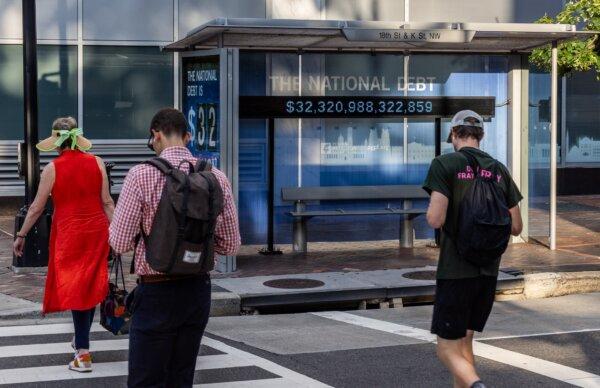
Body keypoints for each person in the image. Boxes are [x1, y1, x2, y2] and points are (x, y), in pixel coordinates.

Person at [109, 108, 241, 387]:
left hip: (156, 290)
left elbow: (119, 242)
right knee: (181, 377)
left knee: (146, 379)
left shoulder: (140, 175)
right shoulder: (216, 177)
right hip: (197, 291)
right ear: (188, 135)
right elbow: (231, 244)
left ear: (155, 136)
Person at [423, 110, 523, 388]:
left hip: (455, 271)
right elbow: (516, 227)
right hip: (488, 272)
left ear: (454, 134)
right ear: (481, 135)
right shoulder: (499, 169)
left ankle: (478, 386)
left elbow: (435, 218)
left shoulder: (444, 164)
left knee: (445, 348)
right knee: (465, 341)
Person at [13, 117, 114, 373]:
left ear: (57, 143)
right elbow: (107, 202)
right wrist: (118, 233)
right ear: (77, 139)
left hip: (69, 235)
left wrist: (22, 234)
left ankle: (82, 352)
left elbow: (36, 207)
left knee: (77, 289)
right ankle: (81, 341)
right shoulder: (98, 162)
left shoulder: (53, 168)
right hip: (96, 232)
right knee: (89, 286)